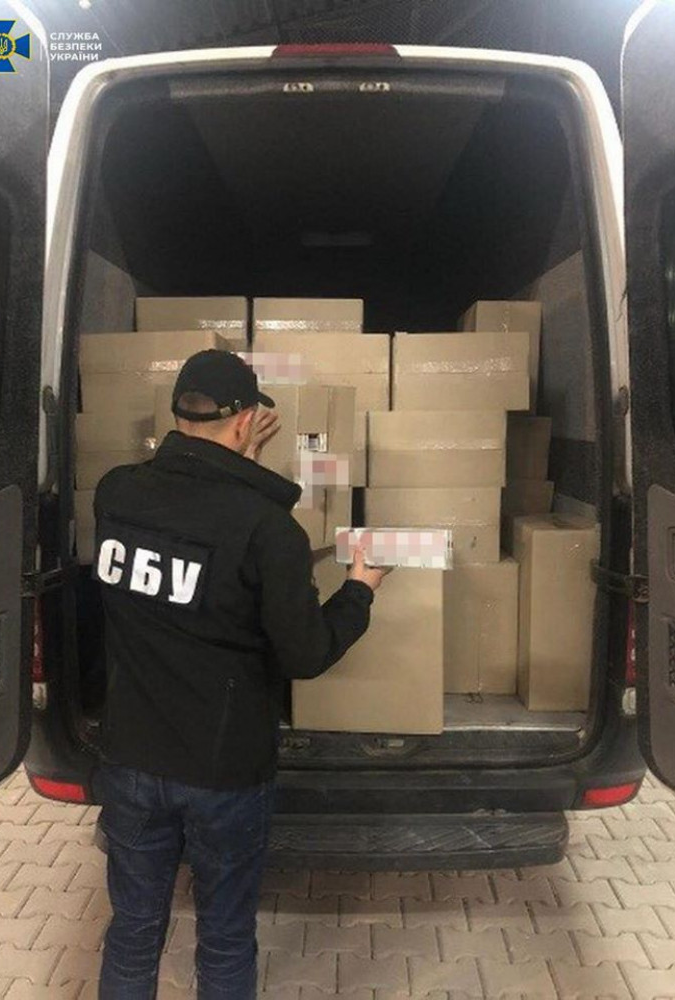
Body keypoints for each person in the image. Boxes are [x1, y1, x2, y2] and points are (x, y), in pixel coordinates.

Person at [91, 348, 390, 1000]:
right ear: (247, 420)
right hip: (222, 771)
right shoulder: (267, 531)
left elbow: (186, 537)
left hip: (131, 758)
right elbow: (305, 654)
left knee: (133, 928)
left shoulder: (116, 493)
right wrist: (359, 589)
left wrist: (237, 464)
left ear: (179, 412)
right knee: (224, 936)